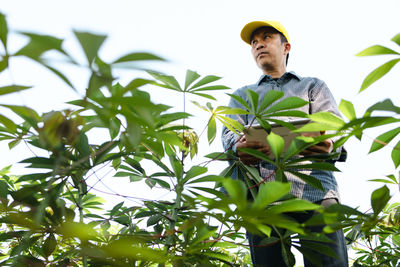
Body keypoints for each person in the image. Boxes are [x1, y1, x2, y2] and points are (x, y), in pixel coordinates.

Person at [221, 20, 348, 267]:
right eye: (254, 42)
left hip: (316, 192)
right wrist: (238, 148)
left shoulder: (312, 86)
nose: (258, 45)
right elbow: (229, 135)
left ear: (286, 46)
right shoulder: (241, 95)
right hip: (262, 196)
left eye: (266, 37)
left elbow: (335, 127)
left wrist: (329, 142)